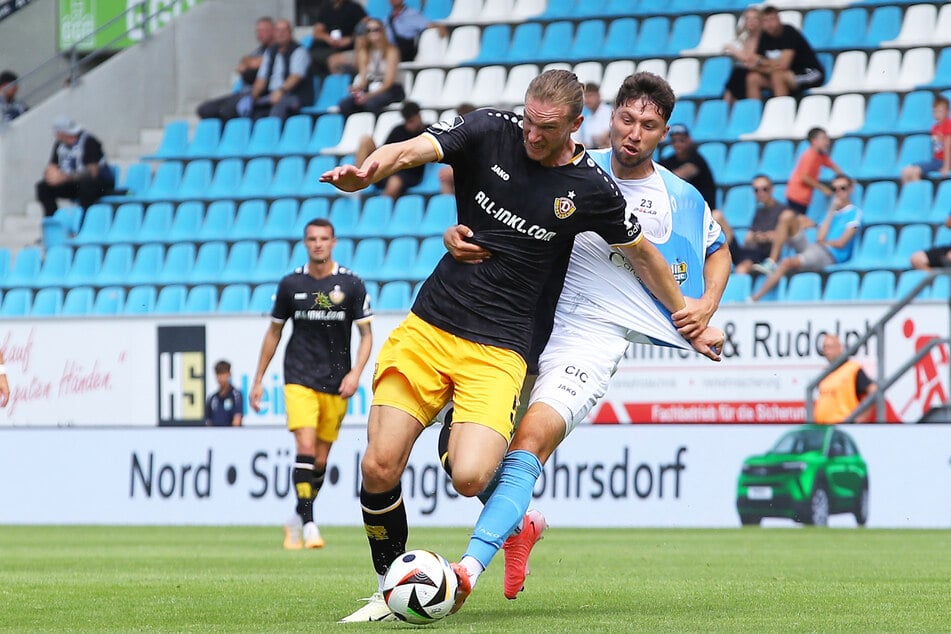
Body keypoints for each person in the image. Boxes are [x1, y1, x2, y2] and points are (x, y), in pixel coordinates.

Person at [321, 69, 691, 623]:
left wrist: (689, 316)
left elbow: (644, 256)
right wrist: (367, 173)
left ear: (575, 124)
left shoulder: (591, 188)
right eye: (528, 120)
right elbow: (411, 151)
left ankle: (518, 521)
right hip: (432, 324)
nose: (531, 136)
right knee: (378, 466)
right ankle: (391, 588)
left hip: (499, 349)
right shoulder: (490, 130)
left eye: (546, 128)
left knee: (469, 475)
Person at [443, 71, 729, 612]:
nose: (634, 133)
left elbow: (718, 251)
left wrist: (704, 306)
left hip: (590, 340)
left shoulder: (679, 197)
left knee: (529, 443)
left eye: (648, 125)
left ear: (664, 132)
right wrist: (457, 231)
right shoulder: (567, 164)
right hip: (523, 324)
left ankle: (466, 571)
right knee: (459, 452)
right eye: (627, 118)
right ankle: (519, 524)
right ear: (607, 116)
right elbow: (497, 208)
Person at [249, 218, 373, 550]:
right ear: (305, 243)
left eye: (324, 238)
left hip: (337, 381)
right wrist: (259, 379)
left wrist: (355, 374)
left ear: (334, 242)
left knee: (319, 461)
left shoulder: (351, 284)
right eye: (312, 239)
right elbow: (274, 332)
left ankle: (296, 517)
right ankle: (309, 524)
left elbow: (366, 336)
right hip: (299, 377)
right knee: (304, 449)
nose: (318, 244)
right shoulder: (291, 284)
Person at [750, 174, 862, 301]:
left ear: (850, 189)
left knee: (787, 262)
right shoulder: (830, 212)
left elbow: (841, 243)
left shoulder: (854, 212)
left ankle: (755, 298)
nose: (838, 192)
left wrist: (824, 241)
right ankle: (772, 261)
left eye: (843, 188)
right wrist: (831, 210)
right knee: (787, 216)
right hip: (816, 248)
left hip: (829, 255)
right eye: (834, 189)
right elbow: (819, 237)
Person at [754, 127, 844, 271]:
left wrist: (845, 178)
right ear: (814, 141)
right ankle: (775, 257)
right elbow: (804, 177)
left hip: (803, 199)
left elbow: (833, 166)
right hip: (796, 196)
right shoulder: (809, 155)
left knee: (798, 223)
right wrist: (823, 188)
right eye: (823, 138)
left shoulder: (821, 156)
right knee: (793, 221)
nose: (827, 141)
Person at [196, 17, 275, 120]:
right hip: (242, 93)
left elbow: (256, 62)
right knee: (205, 109)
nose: (259, 34)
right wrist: (248, 62)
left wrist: (249, 62)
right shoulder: (258, 51)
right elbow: (241, 66)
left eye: (263, 30)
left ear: (272, 31)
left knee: (226, 112)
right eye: (258, 31)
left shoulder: (276, 50)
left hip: (258, 95)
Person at [35, 115, 115, 217]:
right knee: (43, 187)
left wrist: (65, 178)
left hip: (98, 182)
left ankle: (84, 222)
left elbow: (92, 172)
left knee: (86, 185)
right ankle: (52, 219)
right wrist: (51, 176)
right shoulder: (59, 145)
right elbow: (52, 166)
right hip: (73, 183)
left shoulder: (90, 141)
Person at [236, 19, 314, 121]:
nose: (280, 34)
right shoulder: (270, 52)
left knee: (279, 106)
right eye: (278, 31)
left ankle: (273, 133)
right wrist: (253, 97)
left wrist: (281, 91)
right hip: (272, 95)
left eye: (284, 31)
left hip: (296, 96)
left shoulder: (299, 51)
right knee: (253, 108)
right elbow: (261, 79)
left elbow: (295, 77)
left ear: (290, 33)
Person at [746, 4, 825, 100]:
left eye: (772, 19)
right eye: (765, 21)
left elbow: (784, 65)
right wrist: (763, 64)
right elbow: (755, 65)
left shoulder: (788, 32)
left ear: (778, 19)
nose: (769, 24)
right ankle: (756, 112)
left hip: (809, 72)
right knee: (752, 78)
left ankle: (781, 112)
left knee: (777, 76)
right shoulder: (764, 37)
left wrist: (763, 62)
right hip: (784, 73)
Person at [713, 174, 786, 274]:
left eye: (765, 189)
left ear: (772, 189)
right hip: (746, 251)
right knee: (716, 216)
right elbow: (748, 239)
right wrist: (757, 237)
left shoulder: (783, 210)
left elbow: (796, 226)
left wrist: (768, 236)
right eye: (756, 190)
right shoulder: (759, 210)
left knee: (741, 269)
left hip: (761, 254)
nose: (760, 193)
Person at [353, 101, 427, 198]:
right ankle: (356, 183)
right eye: (406, 121)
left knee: (394, 183)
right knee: (365, 140)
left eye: (411, 121)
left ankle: (382, 209)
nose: (409, 125)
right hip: (388, 169)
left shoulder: (427, 133)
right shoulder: (398, 130)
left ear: (419, 116)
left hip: (408, 173)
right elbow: (385, 150)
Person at [337, 17, 405, 117]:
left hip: (390, 89)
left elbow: (388, 82)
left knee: (370, 103)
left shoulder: (391, 51)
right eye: (368, 30)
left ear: (382, 31)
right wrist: (356, 89)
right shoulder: (364, 52)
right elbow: (364, 80)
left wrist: (368, 96)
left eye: (376, 29)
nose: (372, 33)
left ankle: (375, 130)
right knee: (345, 105)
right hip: (371, 86)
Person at [814, 333, 878, 424]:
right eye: (824, 348)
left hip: (842, 427)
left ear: (839, 348)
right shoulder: (825, 373)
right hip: (822, 428)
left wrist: (861, 418)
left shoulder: (852, 369)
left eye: (830, 347)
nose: (827, 351)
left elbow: (873, 391)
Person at [659, 124, 718, 211]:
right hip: (682, 208)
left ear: (689, 140)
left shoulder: (697, 160)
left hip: (703, 209)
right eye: (674, 141)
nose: (677, 144)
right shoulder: (669, 161)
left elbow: (677, 176)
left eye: (681, 140)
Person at [307, 0, 368, 77]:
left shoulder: (354, 8)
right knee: (309, 57)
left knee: (333, 60)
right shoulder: (326, 8)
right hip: (326, 47)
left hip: (347, 48)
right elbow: (317, 32)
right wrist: (328, 38)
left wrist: (350, 39)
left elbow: (366, 26)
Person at [900, 95, 951, 184]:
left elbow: (948, 146)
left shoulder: (948, 125)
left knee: (915, 172)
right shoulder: (935, 127)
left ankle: (918, 194)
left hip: (943, 161)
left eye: (940, 111)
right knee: (905, 171)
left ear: (947, 112)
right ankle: (908, 195)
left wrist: (946, 166)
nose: (937, 114)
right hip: (935, 160)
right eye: (935, 112)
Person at [383, 0, 448, 63]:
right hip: (388, 51)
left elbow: (428, 25)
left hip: (404, 52)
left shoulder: (412, 14)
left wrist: (439, 26)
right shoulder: (387, 18)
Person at [722, 6, 762, 104]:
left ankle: (731, 106)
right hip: (744, 73)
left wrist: (732, 49)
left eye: (754, 18)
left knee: (739, 74)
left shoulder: (763, 39)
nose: (751, 21)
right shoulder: (745, 39)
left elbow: (749, 59)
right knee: (737, 74)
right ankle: (727, 109)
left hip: (760, 71)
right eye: (748, 19)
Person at [437, 102, 476, 196]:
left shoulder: (480, 134)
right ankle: (451, 207)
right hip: (466, 171)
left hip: (480, 173)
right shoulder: (459, 136)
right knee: (445, 175)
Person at [205, 360, 244, 427]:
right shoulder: (212, 398)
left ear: (229, 374)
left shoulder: (235, 395)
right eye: (219, 374)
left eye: (223, 374)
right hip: (215, 435)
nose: (221, 378)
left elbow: (237, 421)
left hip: (231, 434)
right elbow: (208, 422)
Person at [575, 82, 611, 149]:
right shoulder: (586, 115)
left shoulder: (607, 111)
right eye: (585, 96)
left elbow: (604, 137)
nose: (587, 100)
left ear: (598, 96)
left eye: (590, 96)